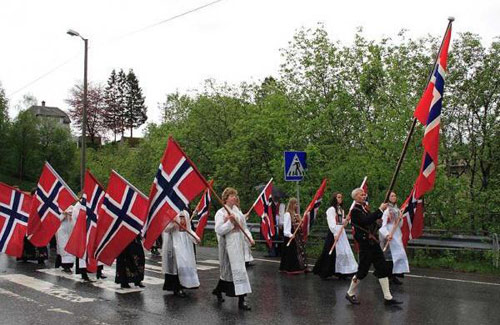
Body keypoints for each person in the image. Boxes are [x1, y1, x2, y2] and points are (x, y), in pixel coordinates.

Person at [345, 188, 402, 306]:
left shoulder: (364, 209)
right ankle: (350, 293)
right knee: (362, 271)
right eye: (361, 195)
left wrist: (378, 222)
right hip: (365, 245)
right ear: (355, 197)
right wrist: (380, 209)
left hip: (373, 243)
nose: (364, 196)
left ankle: (388, 297)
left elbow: (370, 222)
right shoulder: (355, 210)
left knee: (382, 268)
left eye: (364, 194)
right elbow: (365, 221)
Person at [212, 187, 254, 311]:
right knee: (227, 273)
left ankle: (242, 300)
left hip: (239, 245)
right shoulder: (220, 213)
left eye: (235, 195)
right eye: (232, 195)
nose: (234, 197)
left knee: (240, 271)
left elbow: (244, 228)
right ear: (226, 198)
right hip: (227, 247)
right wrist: (230, 223)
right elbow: (219, 230)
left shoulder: (238, 212)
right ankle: (218, 291)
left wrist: (249, 239)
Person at [313, 192, 357, 279]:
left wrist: (347, 219)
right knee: (331, 252)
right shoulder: (331, 210)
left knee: (343, 252)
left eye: (341, 197)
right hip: (334, 232)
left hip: (341, 232)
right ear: (334, 198)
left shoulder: (341, 209)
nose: (340, 199)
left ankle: (343, 272)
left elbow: (341, 222)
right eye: (338, 197)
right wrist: (335, 233)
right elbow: (332, 223)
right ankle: (325, 271)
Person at [162, 210, 200, 297]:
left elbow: (188, 229)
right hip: (174, 242)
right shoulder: (170, 212)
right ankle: (176, 288)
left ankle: (185, 284)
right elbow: (165, 229)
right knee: (176, 266)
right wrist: (172, 223)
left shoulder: (186, 213)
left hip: (185, 243)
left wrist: (196, 238)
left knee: (184, 264)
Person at [378, 192, 409, 285]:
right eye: (392, 196)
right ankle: (387, 276)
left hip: (396, 234)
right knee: (388, 256)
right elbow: (382, 225)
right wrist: (387, 234)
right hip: (389, 233)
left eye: (395, 195)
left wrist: (400, 219)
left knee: (398, 255)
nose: (394, 197)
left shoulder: (397, 209)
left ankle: (395, 275)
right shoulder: (387, 210)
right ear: (388, 198)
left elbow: (400, 224)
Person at [17, 188, 49, 265]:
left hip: (39, 226)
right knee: (27, 242)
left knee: (40, 242)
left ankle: (41, 257)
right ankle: (25, 257)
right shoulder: (27, 202)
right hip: (29, 225)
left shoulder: (42, 203)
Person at [279, 198, 307, 274]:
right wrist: (289, 234)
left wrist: (300, 221)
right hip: (290, 236)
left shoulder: (296, 214)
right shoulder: (287, 214)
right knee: (291, 253)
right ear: (291, 204)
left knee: (299, 252)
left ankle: (302, 267)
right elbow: (286, 227)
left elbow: (300, 225)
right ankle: (290, 268)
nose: (296, 205)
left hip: (297, 236)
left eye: (297, 204)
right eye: (295, 204)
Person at [55, 205, 74, 273]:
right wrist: (63, 214)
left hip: (70, 230)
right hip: (62, 231)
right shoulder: (58, 207)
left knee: (70, 248)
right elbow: (57, 219)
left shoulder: (72, 207)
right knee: (63, 248)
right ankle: (65, 266)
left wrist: (71, 213)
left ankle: (69, 265)